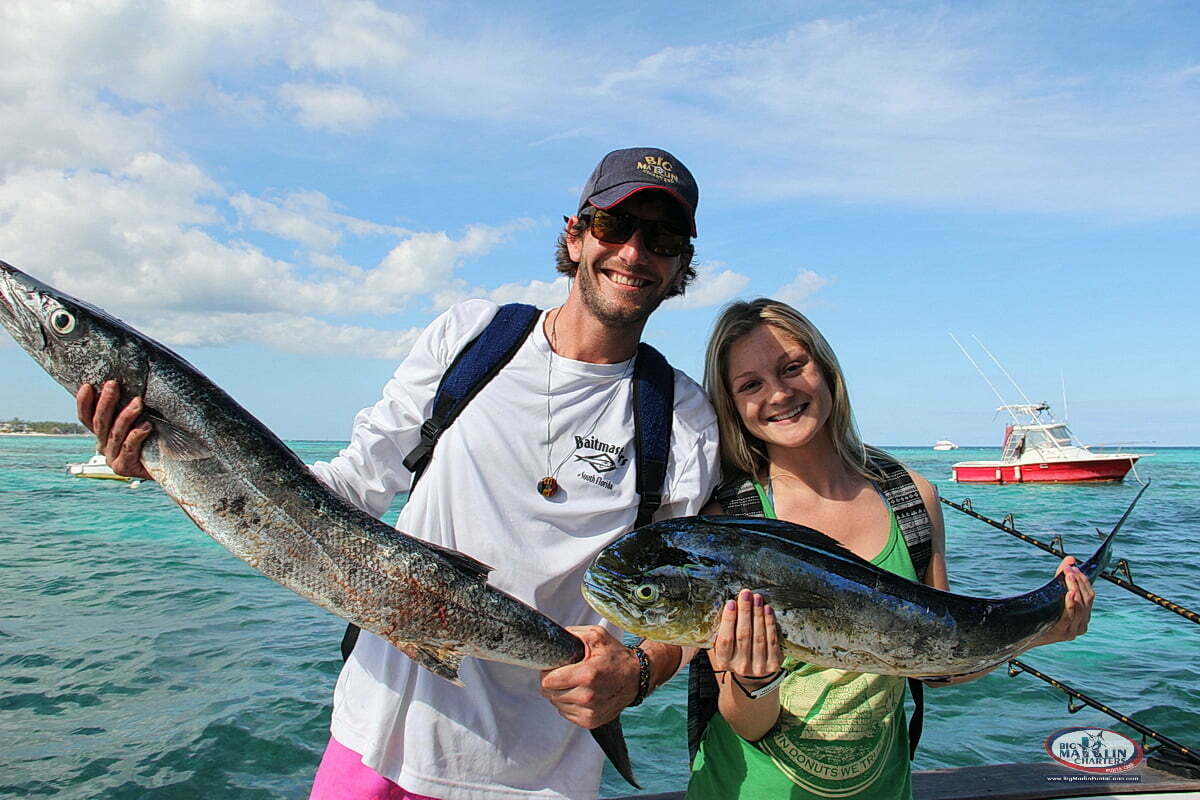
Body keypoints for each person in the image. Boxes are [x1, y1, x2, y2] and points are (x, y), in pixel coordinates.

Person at [76, 148, 721, 800]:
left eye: (663, 239)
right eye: (615, 227)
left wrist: (639, 671)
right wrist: (166, 462)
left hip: (536, 777)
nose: (636, 254)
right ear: (576, 234)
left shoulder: (684, 419)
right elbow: (350, 487)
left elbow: (694, 609)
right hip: (375, 739)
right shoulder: (474, 337)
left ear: (680, 266)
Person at [686, 298, 1095, 800]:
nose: (779, 393)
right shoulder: (728, 525)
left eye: (793, 367)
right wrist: (754, 680)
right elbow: (747, 723)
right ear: (732, 407)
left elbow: (939, 662)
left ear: (826, 369)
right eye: (750, 385)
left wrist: (1043, 632)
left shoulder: (912, 498)